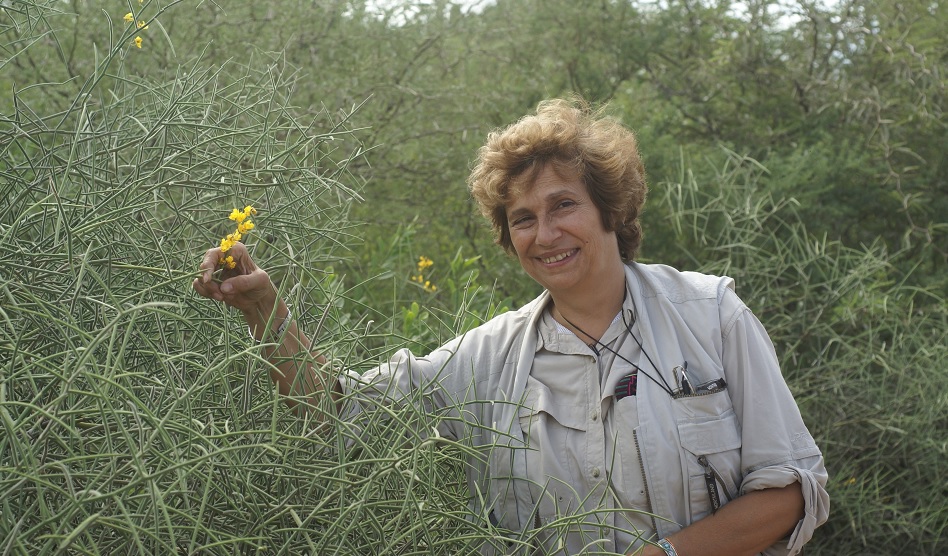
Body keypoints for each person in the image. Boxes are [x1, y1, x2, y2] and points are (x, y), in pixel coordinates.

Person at [193, 98, 829, 555]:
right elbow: (336, 411)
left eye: (564, 205)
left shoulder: (710, 317)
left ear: (612, 210)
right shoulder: (487, 359)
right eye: (522, 218)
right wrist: (265, 312)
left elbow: (791, 495)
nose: (545, 234)